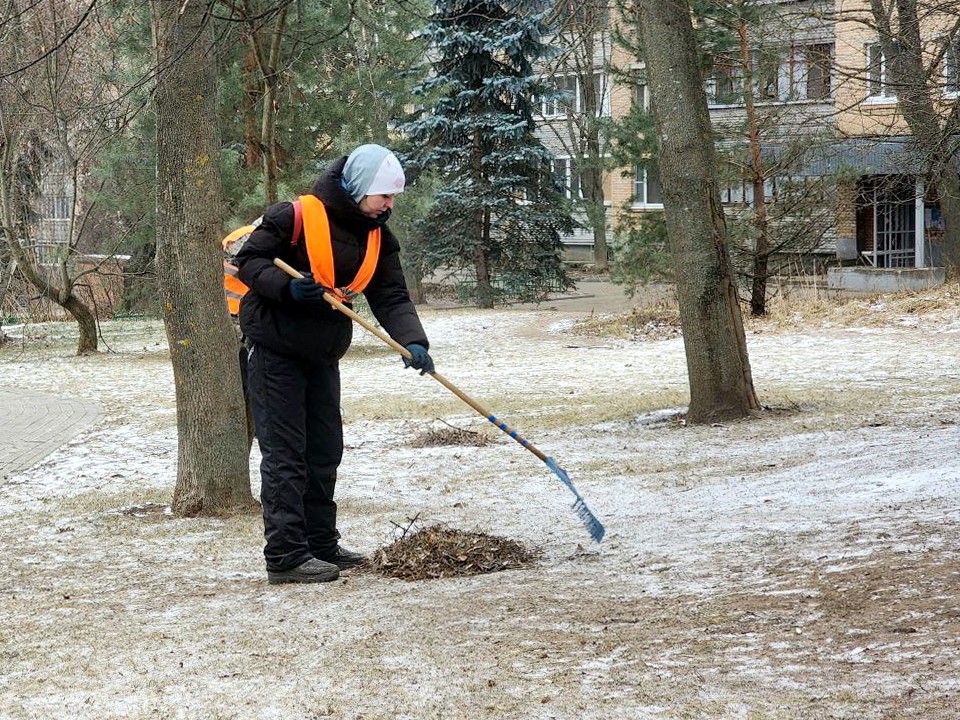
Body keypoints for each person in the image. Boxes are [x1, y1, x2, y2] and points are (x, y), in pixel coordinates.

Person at [236, 144, 434, 585]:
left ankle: (321, 544)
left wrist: (413, 342)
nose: (389, 204)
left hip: (323, 353)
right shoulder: (295, 216)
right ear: (360, 187)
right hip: (274, 351)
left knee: (325, 450)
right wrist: (288, 290)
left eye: (393, 197)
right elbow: (248, 260)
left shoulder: (377, 236)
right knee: (286, 454)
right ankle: (286, 556)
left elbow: (392, 295)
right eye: (384, 194)